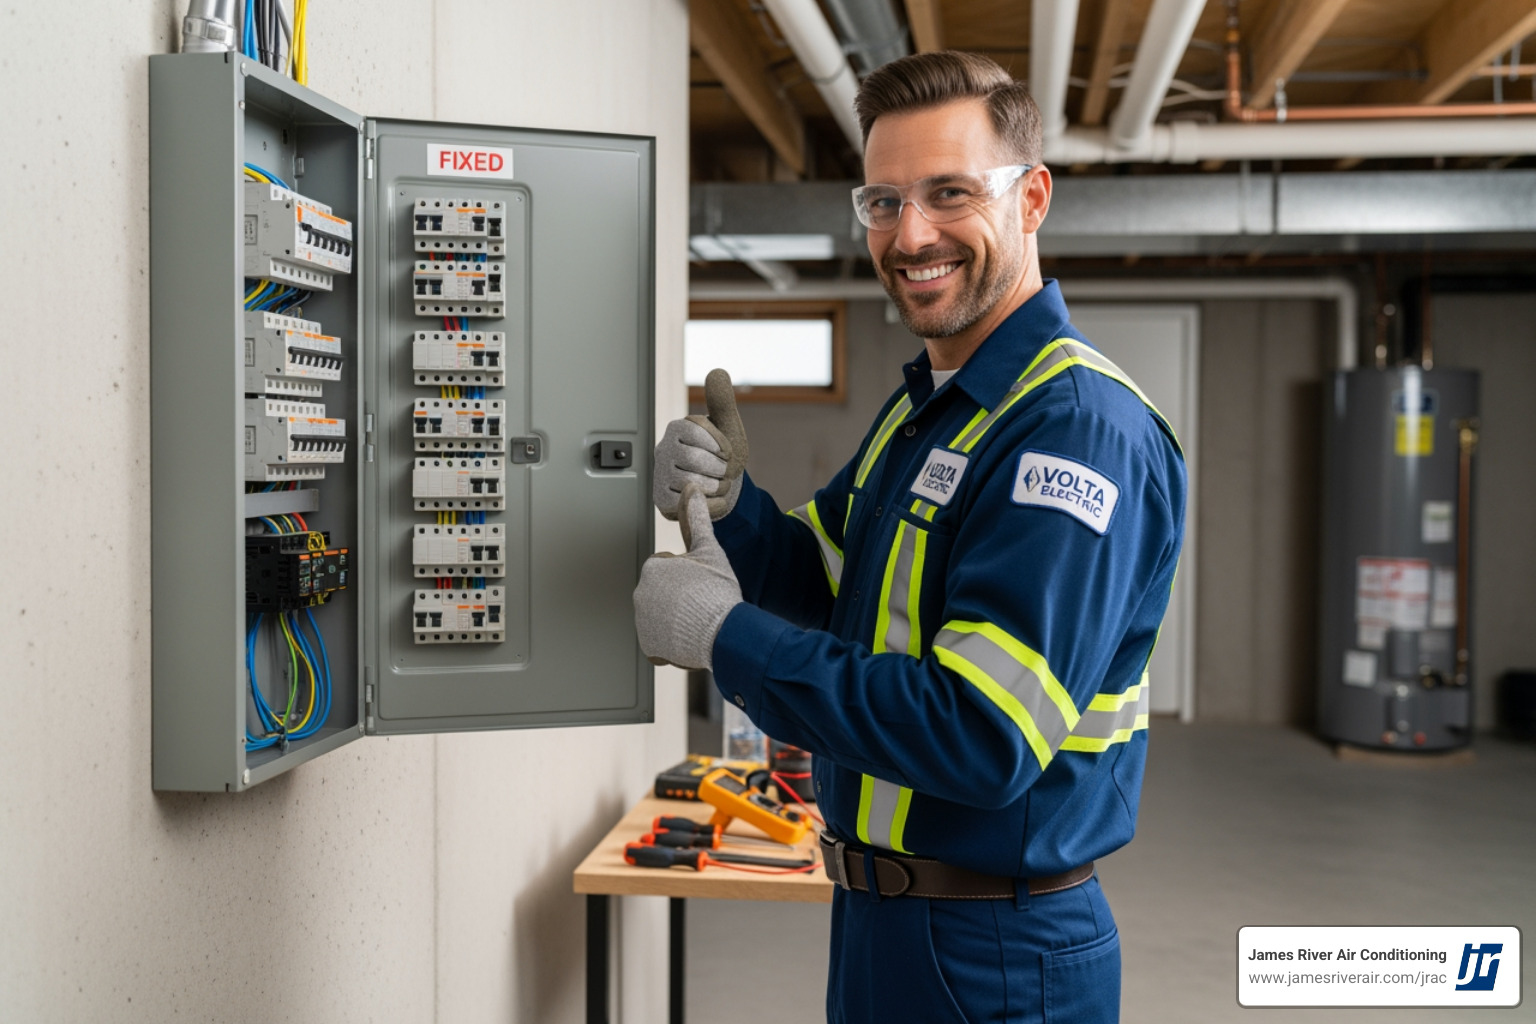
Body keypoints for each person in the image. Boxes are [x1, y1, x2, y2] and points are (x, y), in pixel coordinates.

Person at [635, 51, 1186, 1024]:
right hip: (883, 920)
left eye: (949, 193)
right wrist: (735, 508)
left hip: (995, 953)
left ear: (1032, 198)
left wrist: (725, 638)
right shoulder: (931, 408)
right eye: (883, 201)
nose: (911, 233)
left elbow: (981, 734)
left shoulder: (1072, 428)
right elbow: (831, 581)